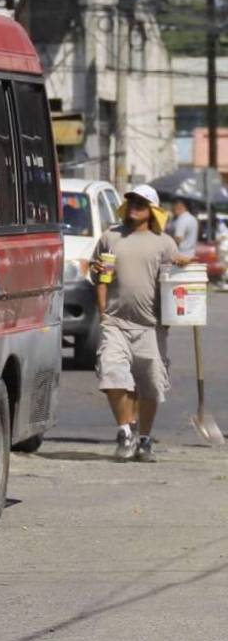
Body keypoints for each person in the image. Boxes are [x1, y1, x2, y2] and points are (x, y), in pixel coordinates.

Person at [94, 184, 194, 463]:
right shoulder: (110, 237)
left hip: (151, 325)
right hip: (115, 322)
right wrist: (103, 312)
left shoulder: (163, 242)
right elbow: (98, 275)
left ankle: (145, 439)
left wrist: (184, 266)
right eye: (132, 201)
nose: (136, 205)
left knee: (150, 385)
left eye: (142, 202)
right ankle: (126, 431)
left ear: (153, 210)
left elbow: (176, 278)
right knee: (112, 373)